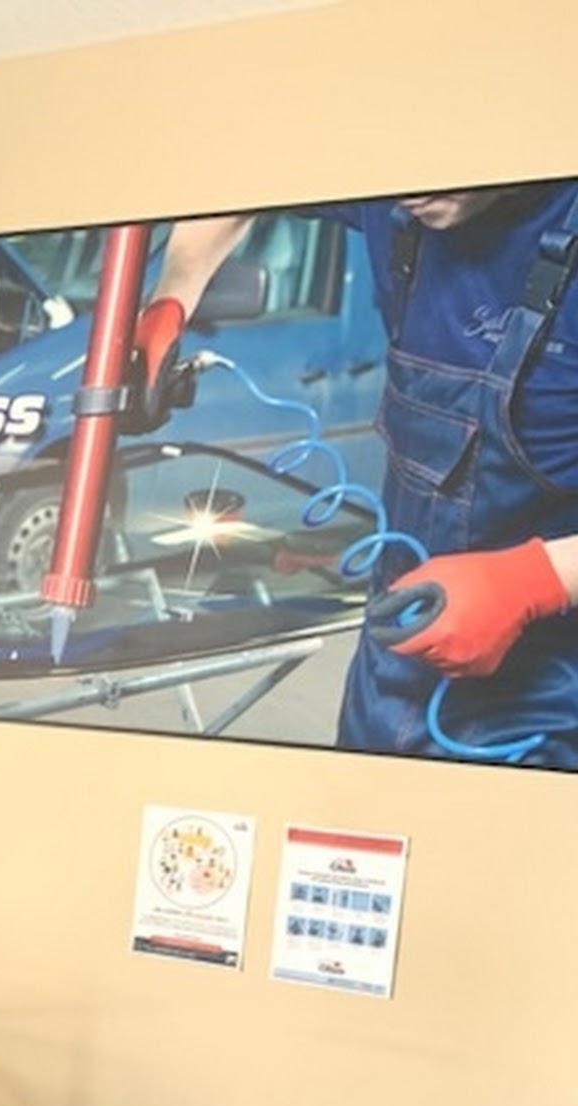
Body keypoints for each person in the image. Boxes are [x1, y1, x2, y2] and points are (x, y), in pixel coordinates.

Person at [132, 185, 578, 765]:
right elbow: (241, 172)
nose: (414, 191)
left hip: (550, 707)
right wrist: (170, 299)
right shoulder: (397, 185)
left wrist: (535, 581)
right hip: (388, 670)